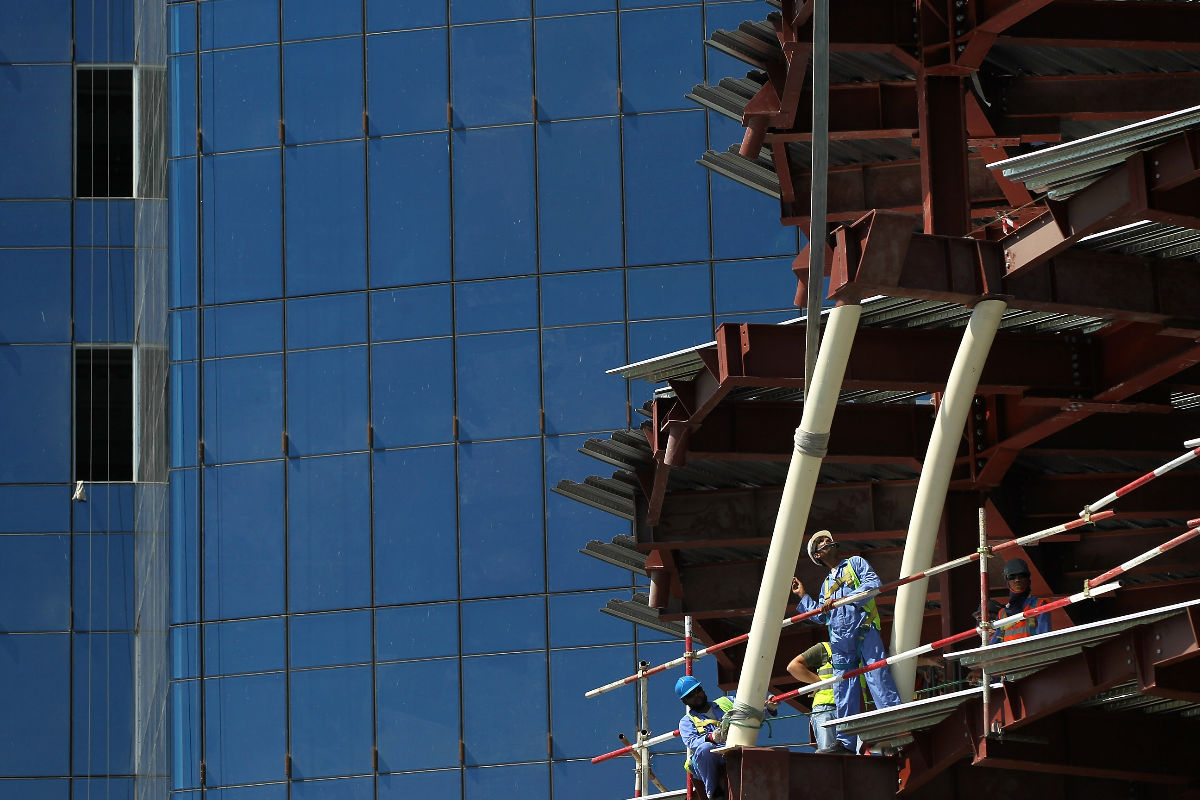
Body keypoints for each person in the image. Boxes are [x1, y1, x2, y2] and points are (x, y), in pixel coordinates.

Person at [792, 530, 902, 755]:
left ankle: (895, 729)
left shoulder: (855, 563)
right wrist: (803, 597)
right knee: (844, 688)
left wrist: (841, 600)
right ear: (818, 555)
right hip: (840, 641)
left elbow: (873, 584)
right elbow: (822, 616)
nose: (826, 541)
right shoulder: (825, 585)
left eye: (826, 539)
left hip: (864, 628)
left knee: (877, 676)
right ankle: (845, 742)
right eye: (821, 542)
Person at [675, 676, 777, 800]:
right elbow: (691, 742)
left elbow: (749, 714)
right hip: (708, 761)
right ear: (685, 701)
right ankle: (713, 794)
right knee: (706, 748)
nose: (697, 695)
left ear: (703, 690)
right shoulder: (687, 721)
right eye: (691, 695)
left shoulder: (726, 702)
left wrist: (769, 708)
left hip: (731, 751)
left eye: (698, 690)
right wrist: (712, 737)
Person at [786, 641, 839, 751]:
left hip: (848, 708)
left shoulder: (860, 649)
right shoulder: (825, 648)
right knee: (829, 755)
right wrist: (817, 682)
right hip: (827, 708)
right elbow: (794, 666)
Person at [990, 558, 1052, 644]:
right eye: (1012, 577)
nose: (1017, 580)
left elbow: (1044, 641)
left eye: (1022, 575)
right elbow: (994, 646)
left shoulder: (1040, 606)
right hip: (1010, 657)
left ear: (1028, 579)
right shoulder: (1002, 614)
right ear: (1007, 581)